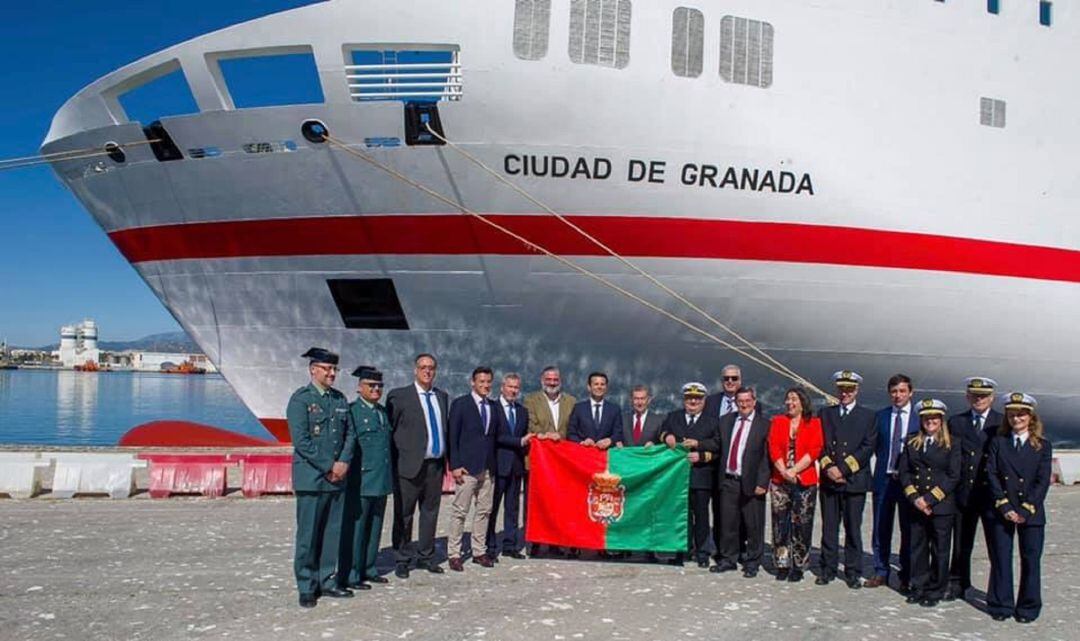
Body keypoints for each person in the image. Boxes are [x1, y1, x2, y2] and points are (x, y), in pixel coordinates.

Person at [287, 347, 356, 608]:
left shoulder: (339, 400)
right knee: (308, 536)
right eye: (327, 369)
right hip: (312, 478)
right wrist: (329, 465)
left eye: (334, 369)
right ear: (313, 369)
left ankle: (327, 580)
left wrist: (344, 462)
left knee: (331, 534)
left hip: (337, 478)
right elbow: (301, 441)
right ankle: (306, 585)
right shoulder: (301, 400)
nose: (332, 373)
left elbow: (350, 435)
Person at [985, 392, 1052, 623]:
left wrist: (1025, 509)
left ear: (1030, 417)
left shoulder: (1042, 446)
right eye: (1012, 414)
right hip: (1002, 509)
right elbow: (991, 473)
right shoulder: (998, 442)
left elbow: (1042, 481)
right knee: (1001, 558)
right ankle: (1000, 604)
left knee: (1031, 560)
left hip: (1030, 512)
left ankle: (1028, 607)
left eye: (1021, 414)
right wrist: (1004, 505)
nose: (1016, 418)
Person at [386, 353, 449, 578]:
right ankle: (402, 558)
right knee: (404, 514)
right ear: (415, 370)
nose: (427, 371)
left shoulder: (442, 396)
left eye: (431, 367)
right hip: (409, 466)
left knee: (430, 512)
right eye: (423, 367)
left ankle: (426, 555)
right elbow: (390, 433)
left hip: (435, 466)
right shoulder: (399, 396)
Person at [817, 370, 877, 589]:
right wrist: (829, 467)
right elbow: (819, 444)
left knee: (853, 529)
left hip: (854, 481)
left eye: (849, 389)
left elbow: (868, 447)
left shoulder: (868, 416)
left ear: (857, 390)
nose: (845, 393)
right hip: (829, 481)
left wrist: (842, 469)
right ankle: (827, 569)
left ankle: (852, 571)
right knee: (829, 528)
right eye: (842, 389)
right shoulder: (825, 413)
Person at [898, 399, 961, 607]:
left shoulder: (953, 443)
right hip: (916, 504)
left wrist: (930, 499)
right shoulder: (911, 441)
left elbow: (953, 475)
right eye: (926, 418)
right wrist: (915, 497)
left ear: (941, 419)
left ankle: (936, 589)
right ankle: (918, 586)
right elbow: (905, 472)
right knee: (917, 548)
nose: (930, 421)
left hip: (941, 505)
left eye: (934, 418)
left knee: (940, 549)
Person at [945, 376, 1002, 601]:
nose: (979, 400)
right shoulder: (957, 422)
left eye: (984, 396)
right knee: (960, 542)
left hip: (990, 494)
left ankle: (997, 591)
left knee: (995, 545)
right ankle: (958, 582)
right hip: (964, 492)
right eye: (975, 395)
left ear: (992, 398)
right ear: (967, 397)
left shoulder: (1001, 423)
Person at [339, 365, 392, 591]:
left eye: (379, 386)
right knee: (358, 529)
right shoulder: (353, 412)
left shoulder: (381, 412)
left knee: (375, 527)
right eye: (371, 385)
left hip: (380, 480)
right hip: (362, 480)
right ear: (360, 388)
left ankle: (369, 567)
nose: (376, 389)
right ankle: (352, 572)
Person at [658, 382, 721, 567]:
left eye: (697, 398)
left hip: (701, 476)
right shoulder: (673, 417)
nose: (693, 401)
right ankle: (681, 550)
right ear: (684, 399)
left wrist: (700, 451)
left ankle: (702, 552)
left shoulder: (712, 421)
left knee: (701, 517)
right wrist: (666, 436)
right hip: (677, 477)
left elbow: (718, 444)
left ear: (704, 400)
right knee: (680, 516)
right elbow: (661, 433)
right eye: (689, 398)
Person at [867, 374, 919, 590]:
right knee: (881, 526)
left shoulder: (920, 418)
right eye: (894, 392)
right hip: (884, 478)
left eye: (902, 391)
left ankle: (907, 573)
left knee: (909, 529)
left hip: (909, 483)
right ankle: (881, 570)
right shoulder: (881, 417)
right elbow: (873, 446)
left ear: (910, 393)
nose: (898, 395)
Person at [446, 366, 501, 571]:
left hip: (488, 467)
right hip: (467, 468)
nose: (485, 385)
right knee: (460, 511)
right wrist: (455, 465)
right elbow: (453, 436)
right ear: (473, 382)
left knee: (484, 511)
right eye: (481, 382)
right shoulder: (461, 404)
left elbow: (494, 437)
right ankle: (454, 553)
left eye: (488, 382)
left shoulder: (493, 407)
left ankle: (479, 551)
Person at [767, 387, 823, 583]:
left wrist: (795, 470)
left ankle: (799, 564)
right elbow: (773, 447)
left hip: (804, 481)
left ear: (803, 403)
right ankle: (782, 563)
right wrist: (783, 471)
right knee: (780, 524)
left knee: (802, 524)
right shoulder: (778, 422)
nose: (790, 403)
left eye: (794, 399)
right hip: (780, 481)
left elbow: (815, 449)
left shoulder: (814, 423)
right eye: (788, 399)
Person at [714, 387, 771, 577]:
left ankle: (752, 562)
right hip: (729, 480)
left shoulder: (764, 425)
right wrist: (694, 445)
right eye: (740, 401)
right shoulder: (726, 421)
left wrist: (763, 482)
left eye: (747, 401)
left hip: (752, 482)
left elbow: (766, 457)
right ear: (736, 403)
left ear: (754, 402)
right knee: (728, 523)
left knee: (753, 524)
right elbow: (716, 444)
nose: (744, 404)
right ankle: (728, 559)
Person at [523, 366, 576, 557]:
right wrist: (544, 436)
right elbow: (530, 425)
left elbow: (573, 429)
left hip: (561, 463)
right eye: (549, 379)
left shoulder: (571, 401)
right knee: (536, 502)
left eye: (555, 379)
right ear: (542, 379)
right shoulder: (530, 400)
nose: (552, 383)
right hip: (539, 462)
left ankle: (556, 542)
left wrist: (558, 438)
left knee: (559, 502)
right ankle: (535, 542)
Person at [486, 373, 533, 560]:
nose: (513, 391)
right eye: (510, 387)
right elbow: (494, 436)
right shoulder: (492, 408)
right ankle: (489, 547)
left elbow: (527, 435)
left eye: (516, 388)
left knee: (512, 508)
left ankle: (510, 545)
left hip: (516, 466)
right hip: (497, 465)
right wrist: (519, 441)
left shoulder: (522, 411)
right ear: (502, 387)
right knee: (491, 508)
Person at [566, 371, 622, 449]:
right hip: (584, 453)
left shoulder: (614, 409)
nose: (599, 387)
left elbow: (618, 433)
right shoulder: (579, 408)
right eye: (596, 384)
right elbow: (571, 433)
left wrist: (610, 440)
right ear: (589, 387)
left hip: (606, 455)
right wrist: (582, 442)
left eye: (602, 384)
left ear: (606, 388)